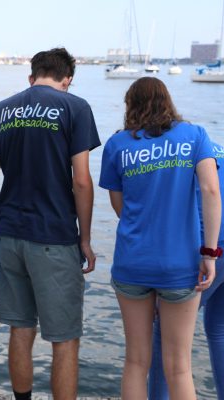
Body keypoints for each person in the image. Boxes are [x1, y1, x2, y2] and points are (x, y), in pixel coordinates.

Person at [0, 47, 100, 400]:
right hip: (54, 237)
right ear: (68, 79)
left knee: (20, 329)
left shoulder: (0, 110)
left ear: (31, 76)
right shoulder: (74, 107)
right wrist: (86, 239)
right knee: (64, 340)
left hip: (10, 236)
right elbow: (81, 180)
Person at [99, 77, 221, 400]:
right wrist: (209, 252)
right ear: (168, 101)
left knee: (136, 361)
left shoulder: (117, 145)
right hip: (180, 265)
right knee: (179, 366)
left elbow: (120, 206)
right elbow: (211, 191)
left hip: (132, 263)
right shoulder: (194, 137)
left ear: (130, 106)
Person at [148, 141, 224, 400]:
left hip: (210, 247)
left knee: (164, 333)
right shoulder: (210, 146)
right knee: (219, 329)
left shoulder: (170, 152)